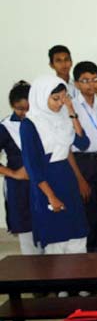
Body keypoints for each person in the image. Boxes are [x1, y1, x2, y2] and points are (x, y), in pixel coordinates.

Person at [21, 75, 90, 254]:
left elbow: (83, 143)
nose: (60, 103)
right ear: (42, 96)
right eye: (55, 99)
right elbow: (32, 166)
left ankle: (79, 280)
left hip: (67, 179)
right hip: (47, 183)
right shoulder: (29, 124)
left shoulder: (64, 117)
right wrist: (51, 196)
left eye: (63, 97)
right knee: (56, 241)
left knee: (77, 236)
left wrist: (71, 111)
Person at [72, 61, 97, 252]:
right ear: (76, 84)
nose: (90, 84)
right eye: (85, 80)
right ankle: (90, 258)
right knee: (87, 212)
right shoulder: (70, 108)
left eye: (94, 79)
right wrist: (79, 179)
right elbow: (66, 147)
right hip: (83, 163)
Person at [0, 81, 37, 254]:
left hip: (42, 183)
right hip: (19, 186)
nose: (23, 113)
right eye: (19, 108)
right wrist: (14, 174)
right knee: (26, 233)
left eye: (27, 108)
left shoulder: (42, 122)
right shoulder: (5, 126)